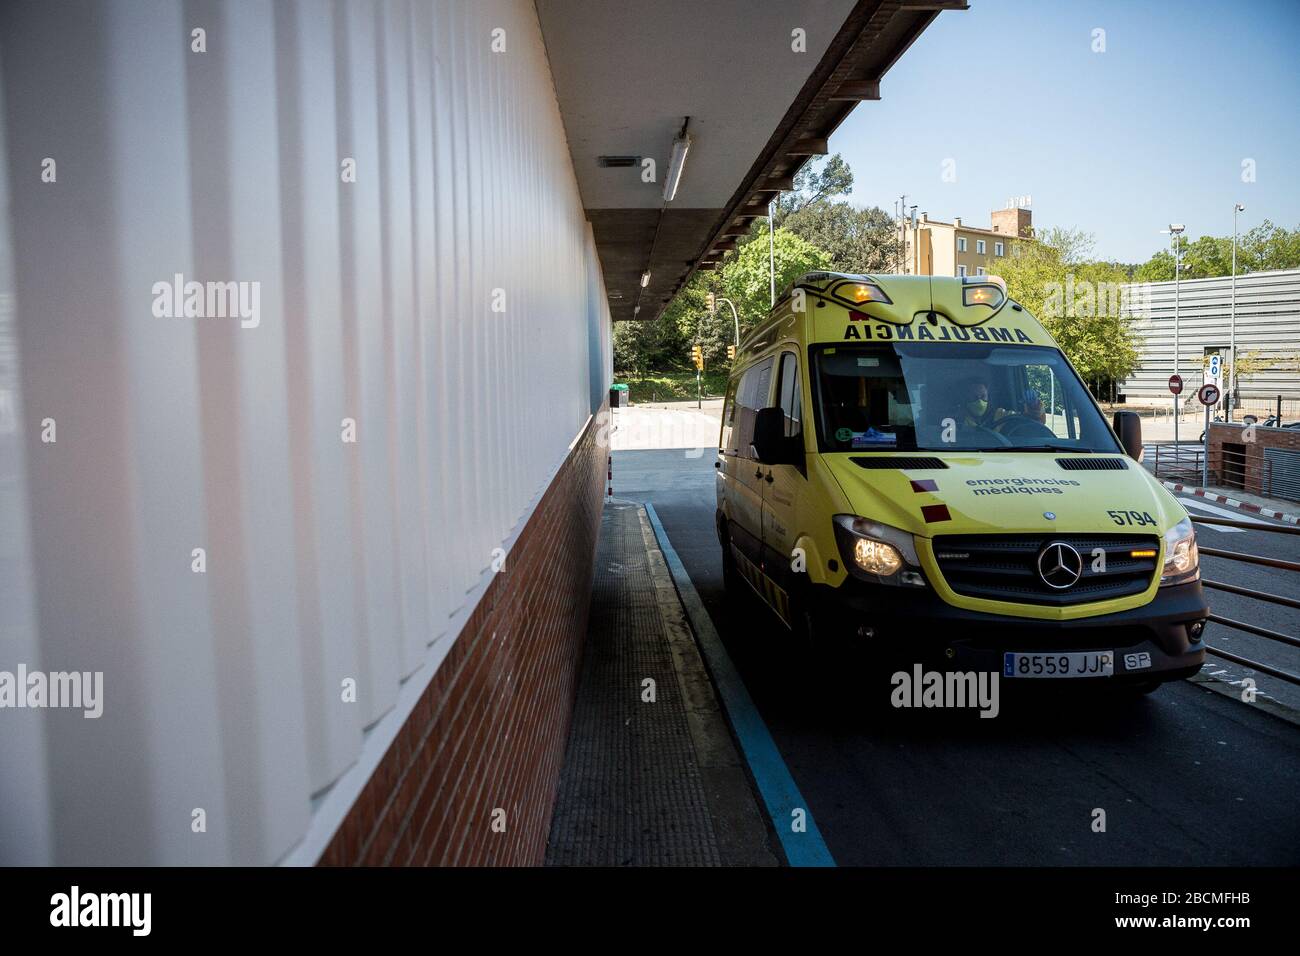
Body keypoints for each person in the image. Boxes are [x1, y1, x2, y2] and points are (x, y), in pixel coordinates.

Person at [956, 379, 1045, 429]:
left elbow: (1032, 423)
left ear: (988, 397)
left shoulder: (1001, 415)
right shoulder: (957, 420)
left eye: (983, 396)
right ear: (965, 398)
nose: (979, 401)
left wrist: (1034, 407)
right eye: (974, 397)